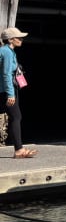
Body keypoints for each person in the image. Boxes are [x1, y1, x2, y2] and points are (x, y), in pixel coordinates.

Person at [0, 27, 35, 158]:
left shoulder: (9, 51)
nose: (21, 39)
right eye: (18, 37)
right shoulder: (7, 52)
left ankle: (19, 149)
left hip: (5, 89)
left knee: (15, 116)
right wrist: (10, 94)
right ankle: (19, 150)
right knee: (16, 117)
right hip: (5, 90)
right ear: (10, 39)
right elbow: (6, 74)